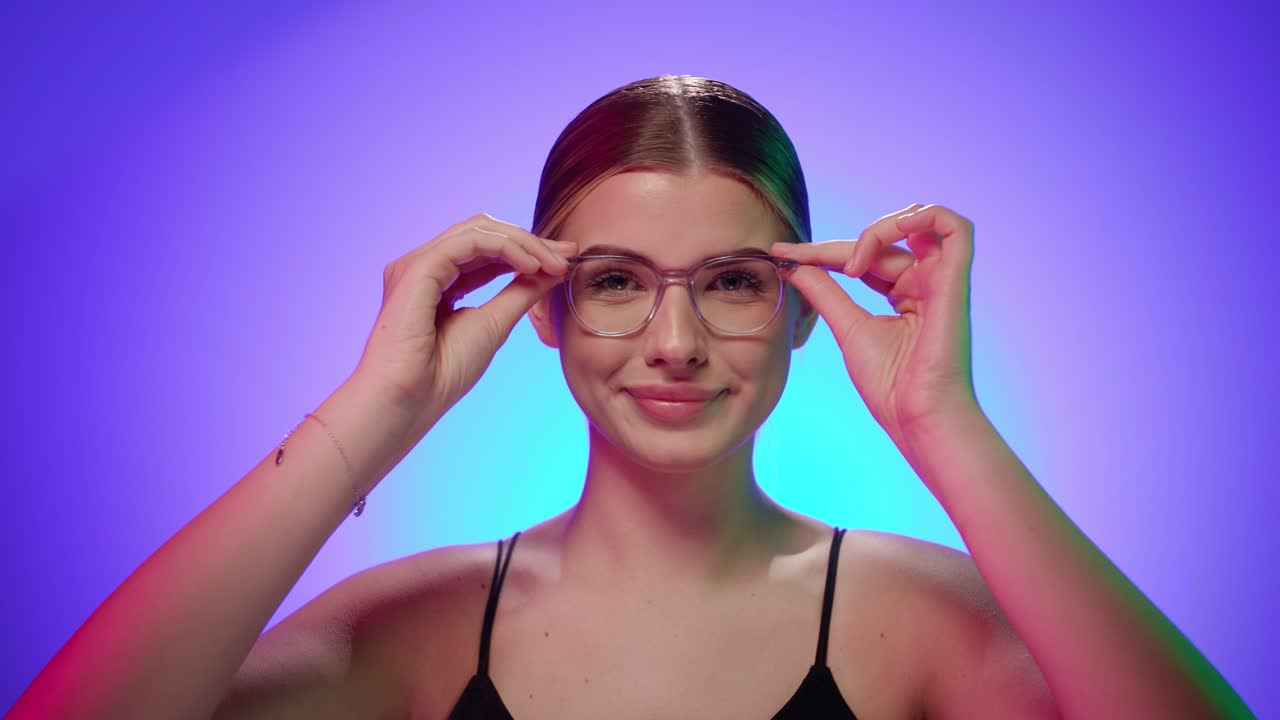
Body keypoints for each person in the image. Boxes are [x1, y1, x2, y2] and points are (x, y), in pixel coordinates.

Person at [10, 75, 1251, 720]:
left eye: (730, 282)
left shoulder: (923, 618)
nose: (673, 344)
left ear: (805, 308)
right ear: (542, 307)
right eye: (613, 280)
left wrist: (948, 432)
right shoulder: (415, 629)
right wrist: (373, 417)